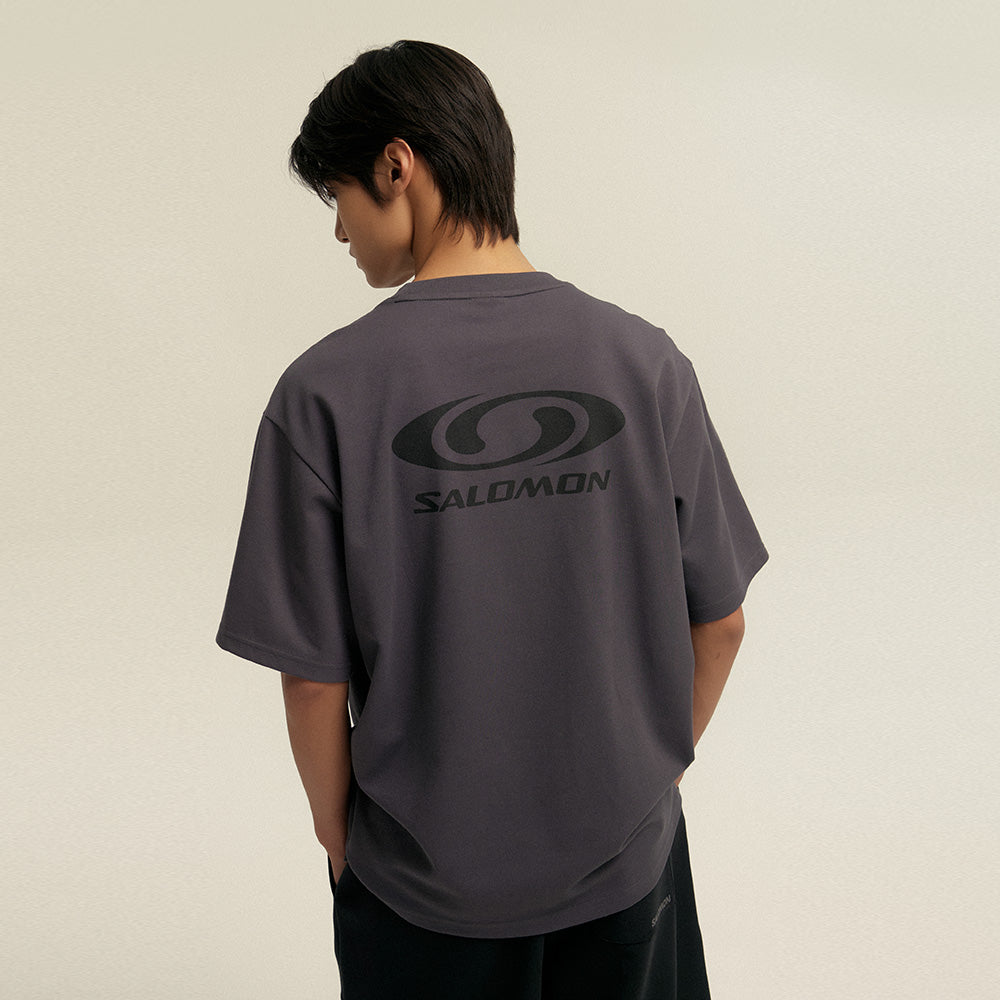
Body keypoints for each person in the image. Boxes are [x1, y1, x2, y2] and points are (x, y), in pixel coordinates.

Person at [216, 39, 768, 1000]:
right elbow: (720, 621)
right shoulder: (644, 363)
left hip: (422, 895)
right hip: (628, 872)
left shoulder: (324, 393)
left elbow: (312, 681)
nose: (340, 231)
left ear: (397, 166)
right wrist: (653, 781)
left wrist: (340, 842)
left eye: (337, 196)